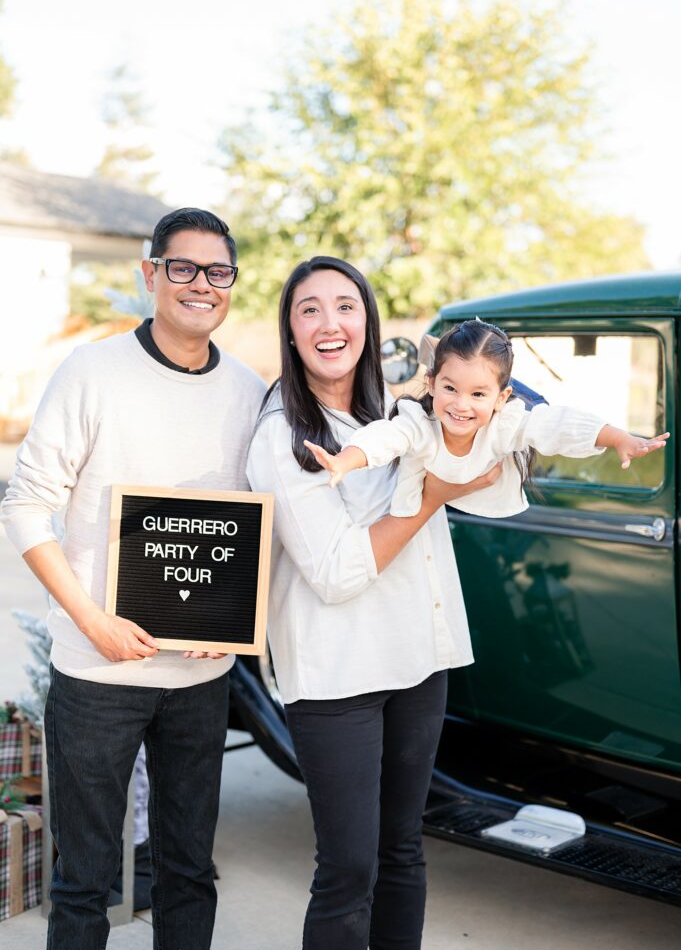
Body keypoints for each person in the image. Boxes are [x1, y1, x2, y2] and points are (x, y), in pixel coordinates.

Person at [0, 208, 265, 949]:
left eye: (218, 272)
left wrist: (239, 619)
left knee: (188, 869)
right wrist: (92, 620)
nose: (200, 284)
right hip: (94, 672)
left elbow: (259, 525)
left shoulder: (249, 391)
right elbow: (24, 505)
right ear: (150, 275)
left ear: (231, 286)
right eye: (182, 267)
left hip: (199, 680)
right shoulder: (91, 371)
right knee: (83, 879)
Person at [246, 256, 500, 950]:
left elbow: (493, 446)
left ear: (367, 320)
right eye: (309, 309)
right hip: (337, 679)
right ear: (290, 331)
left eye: (345, 306)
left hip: (418, 663)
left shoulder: (399, 413)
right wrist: (433, 500)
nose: (330, 323)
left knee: (402, 854)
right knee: (347, 869)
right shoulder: (282, 434)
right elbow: (334, 571)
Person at [305, 318, 668, 519]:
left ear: (502, 398)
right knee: (405, 483)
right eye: (450, 388)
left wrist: (619, 438)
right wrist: (344, 462)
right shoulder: (421, 425)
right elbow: (384, 439)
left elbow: (555, 425)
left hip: (492, 505)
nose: (461, 405)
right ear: (431, 383)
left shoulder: (506, 425)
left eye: (478, 394)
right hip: (422, 502)